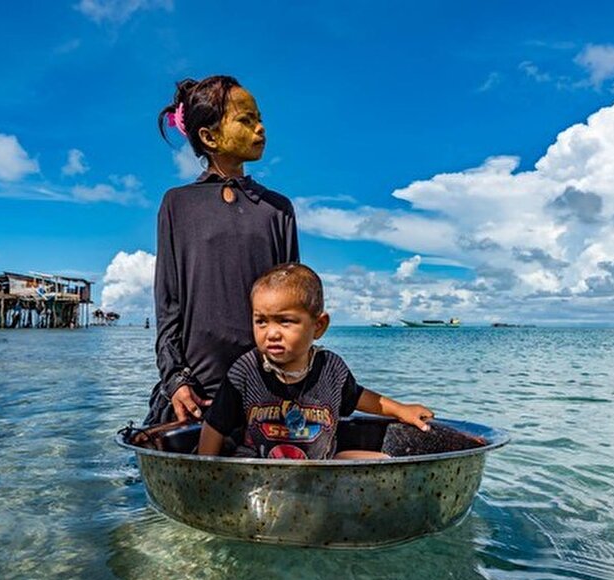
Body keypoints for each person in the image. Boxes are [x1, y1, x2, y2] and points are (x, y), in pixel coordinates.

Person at [145, 75, 299, 425]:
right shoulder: (178, 205)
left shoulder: (278, 209)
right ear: (209, 136)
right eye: (246, 120)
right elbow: (168, 304)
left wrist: (293, 381)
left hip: (264, 392)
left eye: (260, 119)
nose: (260, 128)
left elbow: (293, 305)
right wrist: (175, 380)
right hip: (195, 394)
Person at [198, 263, 434, 459]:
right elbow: (215, 425)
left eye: (285, 321)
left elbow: (358, 397)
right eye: (261, 321)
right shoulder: (246, 371)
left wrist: (401, 410)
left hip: (318, 472)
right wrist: (203, 473)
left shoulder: (331, 369)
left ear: (318, 326)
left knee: (383, 461)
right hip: (260, 469)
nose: (271, 333)